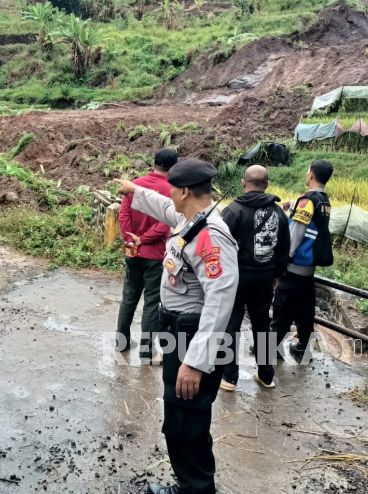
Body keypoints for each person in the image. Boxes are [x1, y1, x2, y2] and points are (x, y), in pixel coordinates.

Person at [114, 159, 239, 494]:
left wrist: (196, 362)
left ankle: (196, 489)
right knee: (178, 414)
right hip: (178, 331)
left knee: (188, 418)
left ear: (184, 190)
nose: (169, 194)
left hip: (192, 336)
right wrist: (135, 190)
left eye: (172, 188)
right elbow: (164, 208)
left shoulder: (210, 236)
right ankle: (189, 485)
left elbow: (220, 301)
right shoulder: (191, 219)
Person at [219, 165, 289, 392]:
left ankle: (229, 378)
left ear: (243, 183)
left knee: (231, 326)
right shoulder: (278, 213)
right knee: (262, 325)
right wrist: (276, 275)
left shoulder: (233, 211)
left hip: (235, 279)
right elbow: (283, 248)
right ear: (267, 184)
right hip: (264, 278)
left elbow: (218, 246)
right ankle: (266, 375)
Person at [116, 149, 178, 364]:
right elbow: (166, 223)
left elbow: (123, 213)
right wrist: (146, 239)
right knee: (152, 303)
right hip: (156, 255)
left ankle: (121, 342)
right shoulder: (172, 191)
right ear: (174, 167)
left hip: (132, 251)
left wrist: (132, 240)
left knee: (129, 297)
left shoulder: (134, 184)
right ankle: (147, 353)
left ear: (153, 162)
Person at [271, 159, 334, 357]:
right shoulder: (324, 201)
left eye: (308, 172)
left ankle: (268, 349)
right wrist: (293, 206)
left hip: (295, 266)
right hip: (309, 269)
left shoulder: (307, 201)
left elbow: (296, 232)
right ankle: (303, 348)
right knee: (305, 312)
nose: (306, 174)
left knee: (281, 310)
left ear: (311, 175)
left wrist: (283, 259)